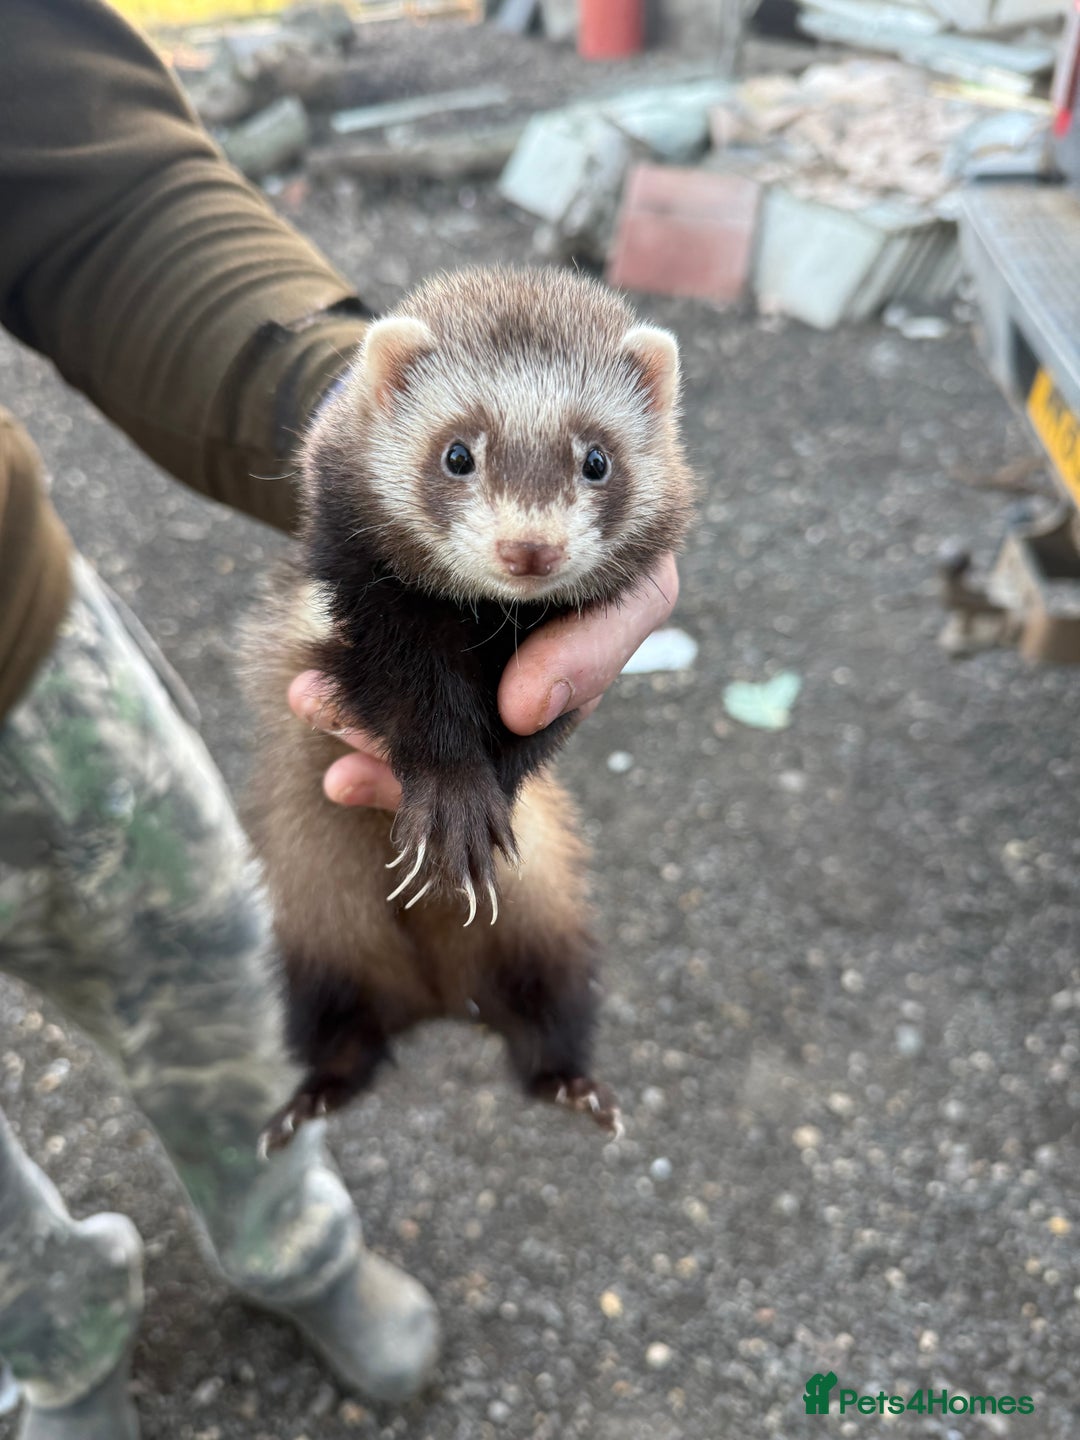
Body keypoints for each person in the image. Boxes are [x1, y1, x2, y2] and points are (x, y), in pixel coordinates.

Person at [0, 2, 679, 1437]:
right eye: (463, 464)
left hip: (15, 657)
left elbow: (88, 181)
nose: (530, 533)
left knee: (222, 969)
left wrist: (346, 417)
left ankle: (293, 1244)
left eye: (592, 472)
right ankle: (50, 1345)